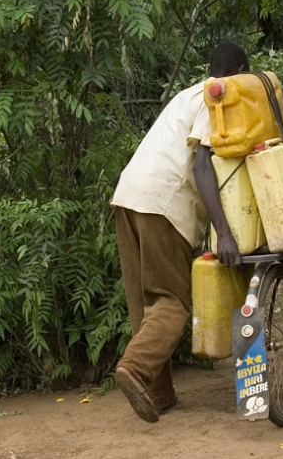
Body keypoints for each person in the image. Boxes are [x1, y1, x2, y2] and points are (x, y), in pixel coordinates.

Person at [110, 43, 248, 423]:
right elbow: (203, 165)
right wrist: (225, 232)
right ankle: (136, 368)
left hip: (128, 196)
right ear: (239, 72)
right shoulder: (215, 97)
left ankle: (159, 394)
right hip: (164, 203)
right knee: (171, 302)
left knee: (145, 304)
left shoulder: (186, 95)